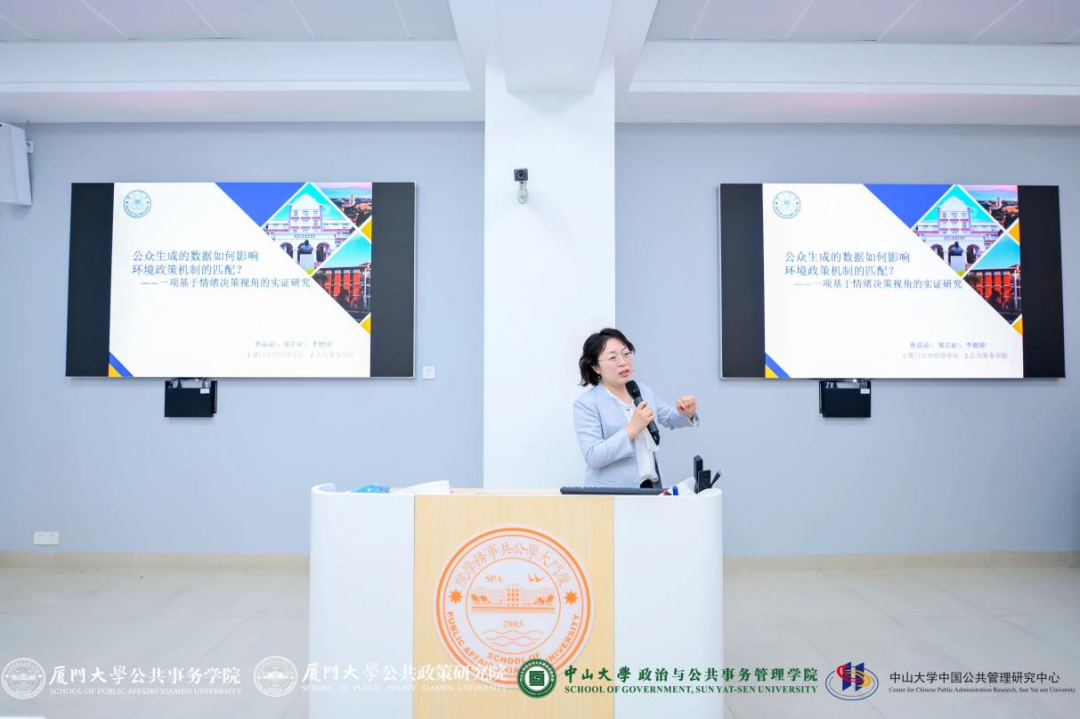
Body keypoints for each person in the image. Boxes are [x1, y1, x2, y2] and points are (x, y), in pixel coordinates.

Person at [573, 328, 698, 488]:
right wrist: (632, 428)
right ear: (596, 367)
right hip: (612, 493)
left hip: (650, 488)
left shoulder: (642, 390)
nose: (623, 362)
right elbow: (593, 456)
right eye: (613, 358)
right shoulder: (587, 404)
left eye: (626, 354)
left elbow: (669, 418)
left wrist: (687, 412)